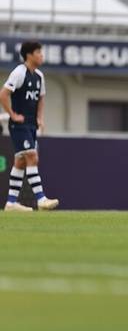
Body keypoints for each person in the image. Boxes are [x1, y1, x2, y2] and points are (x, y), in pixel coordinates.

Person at [0, 41, 59, 211]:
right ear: (29, 55)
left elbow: (40, 98)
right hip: (19, 125)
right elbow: (3, 94)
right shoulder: (19, 73)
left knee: (20, 162)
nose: (42, 55)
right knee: (32, 157)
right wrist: (12, 114)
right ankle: (41, 199)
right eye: (38, 52)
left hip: (31, 125)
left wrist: (40, 118)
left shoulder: (39, 76)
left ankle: (11, 203)